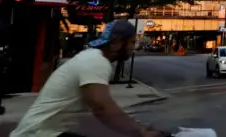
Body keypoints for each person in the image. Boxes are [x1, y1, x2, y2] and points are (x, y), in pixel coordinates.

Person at [11, 19, 165, 137]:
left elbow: (101, 106)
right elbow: (101, 107)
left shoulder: (92, 57)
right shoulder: (96, 61)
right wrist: (138, 131)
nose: (133, 48)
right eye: (131, 42)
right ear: (116, 43)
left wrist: (136, 126)